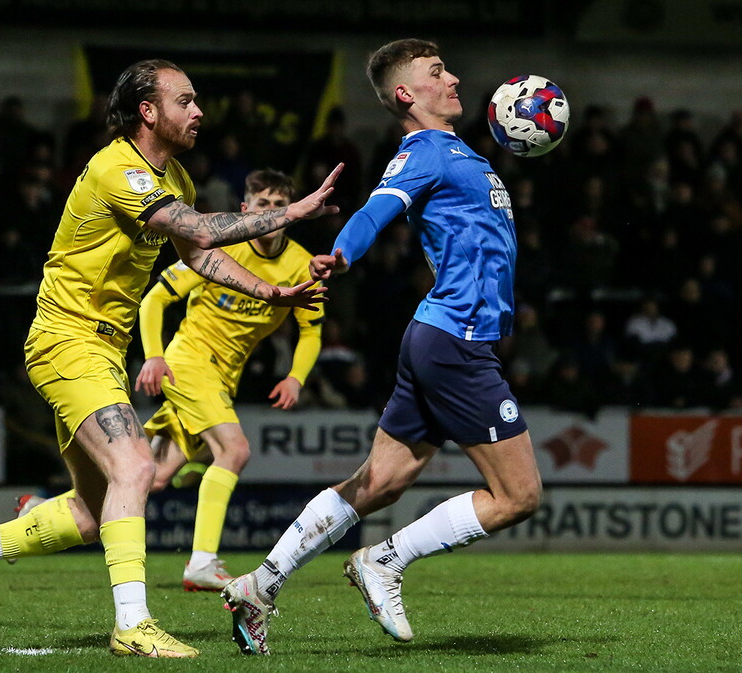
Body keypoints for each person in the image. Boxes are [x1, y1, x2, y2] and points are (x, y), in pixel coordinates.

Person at [0, 58, 341, 659]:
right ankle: (133, 624)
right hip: (68, 338)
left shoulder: (179, 182)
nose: (199, 112)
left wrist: (272, 292)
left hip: (100, 349)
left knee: (94, 514)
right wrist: (291, 212)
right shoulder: (118, 166)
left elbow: (198, 254)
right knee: (138, 468)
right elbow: (192, 225)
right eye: (186, 101)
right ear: (149, 112)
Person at [222, 38, 542, 655]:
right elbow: (377, 209)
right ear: (406, 93)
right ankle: (386, 561)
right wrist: (342, 253)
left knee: (380, 483)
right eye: (436, 71)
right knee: (518, 495)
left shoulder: (459, 152)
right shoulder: (423, 151)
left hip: (439, 338)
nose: (451, 78)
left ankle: (258, 586)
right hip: (455, 342)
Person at [134, 168, 324, 591]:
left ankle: (43, 513)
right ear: (246, 210)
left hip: (222, 379)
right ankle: (202, 562)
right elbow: (154, 300)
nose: (271, 213)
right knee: (235, 450)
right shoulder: (219, 250)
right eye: (263, 205)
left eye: (280, 206)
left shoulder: (299, 264)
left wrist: (296, 377)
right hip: (188, 362)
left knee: (152, 476)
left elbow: (311, 330)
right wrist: (154, 356)